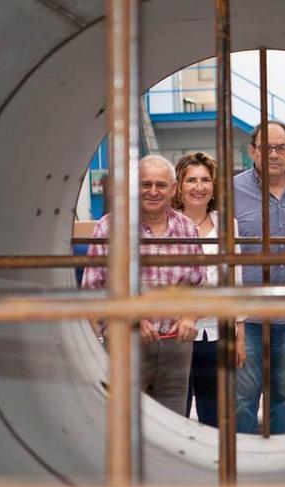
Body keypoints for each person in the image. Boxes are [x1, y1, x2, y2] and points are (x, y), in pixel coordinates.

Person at [82, 155, 205, 415]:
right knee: (124, 422)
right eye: (145, 184)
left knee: (172, 424)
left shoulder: (187, 229)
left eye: (161, 185)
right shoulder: (109, 227)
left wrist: (189, 317)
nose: (153, 191)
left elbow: (199, 285)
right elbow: (93, 288)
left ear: (173, 189)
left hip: (176, 346)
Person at [234, 120, 285, 434]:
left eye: (282, 147)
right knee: (243, 397)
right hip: (247, 316)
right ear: (252, 150)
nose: (274, 154)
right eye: (266, 147)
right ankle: (244, 466)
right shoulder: (232, 191)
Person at [172, 151, 246, 427]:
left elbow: (235, 278)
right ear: (179, 185)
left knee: (215, 416)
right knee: (175, 411)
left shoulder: (228, 225)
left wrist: (240, 336)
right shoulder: (168, 224)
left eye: (205, 180)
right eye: (191, 180)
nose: (199, 187)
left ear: (214, 185)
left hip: (216, 333)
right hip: (175, 332)